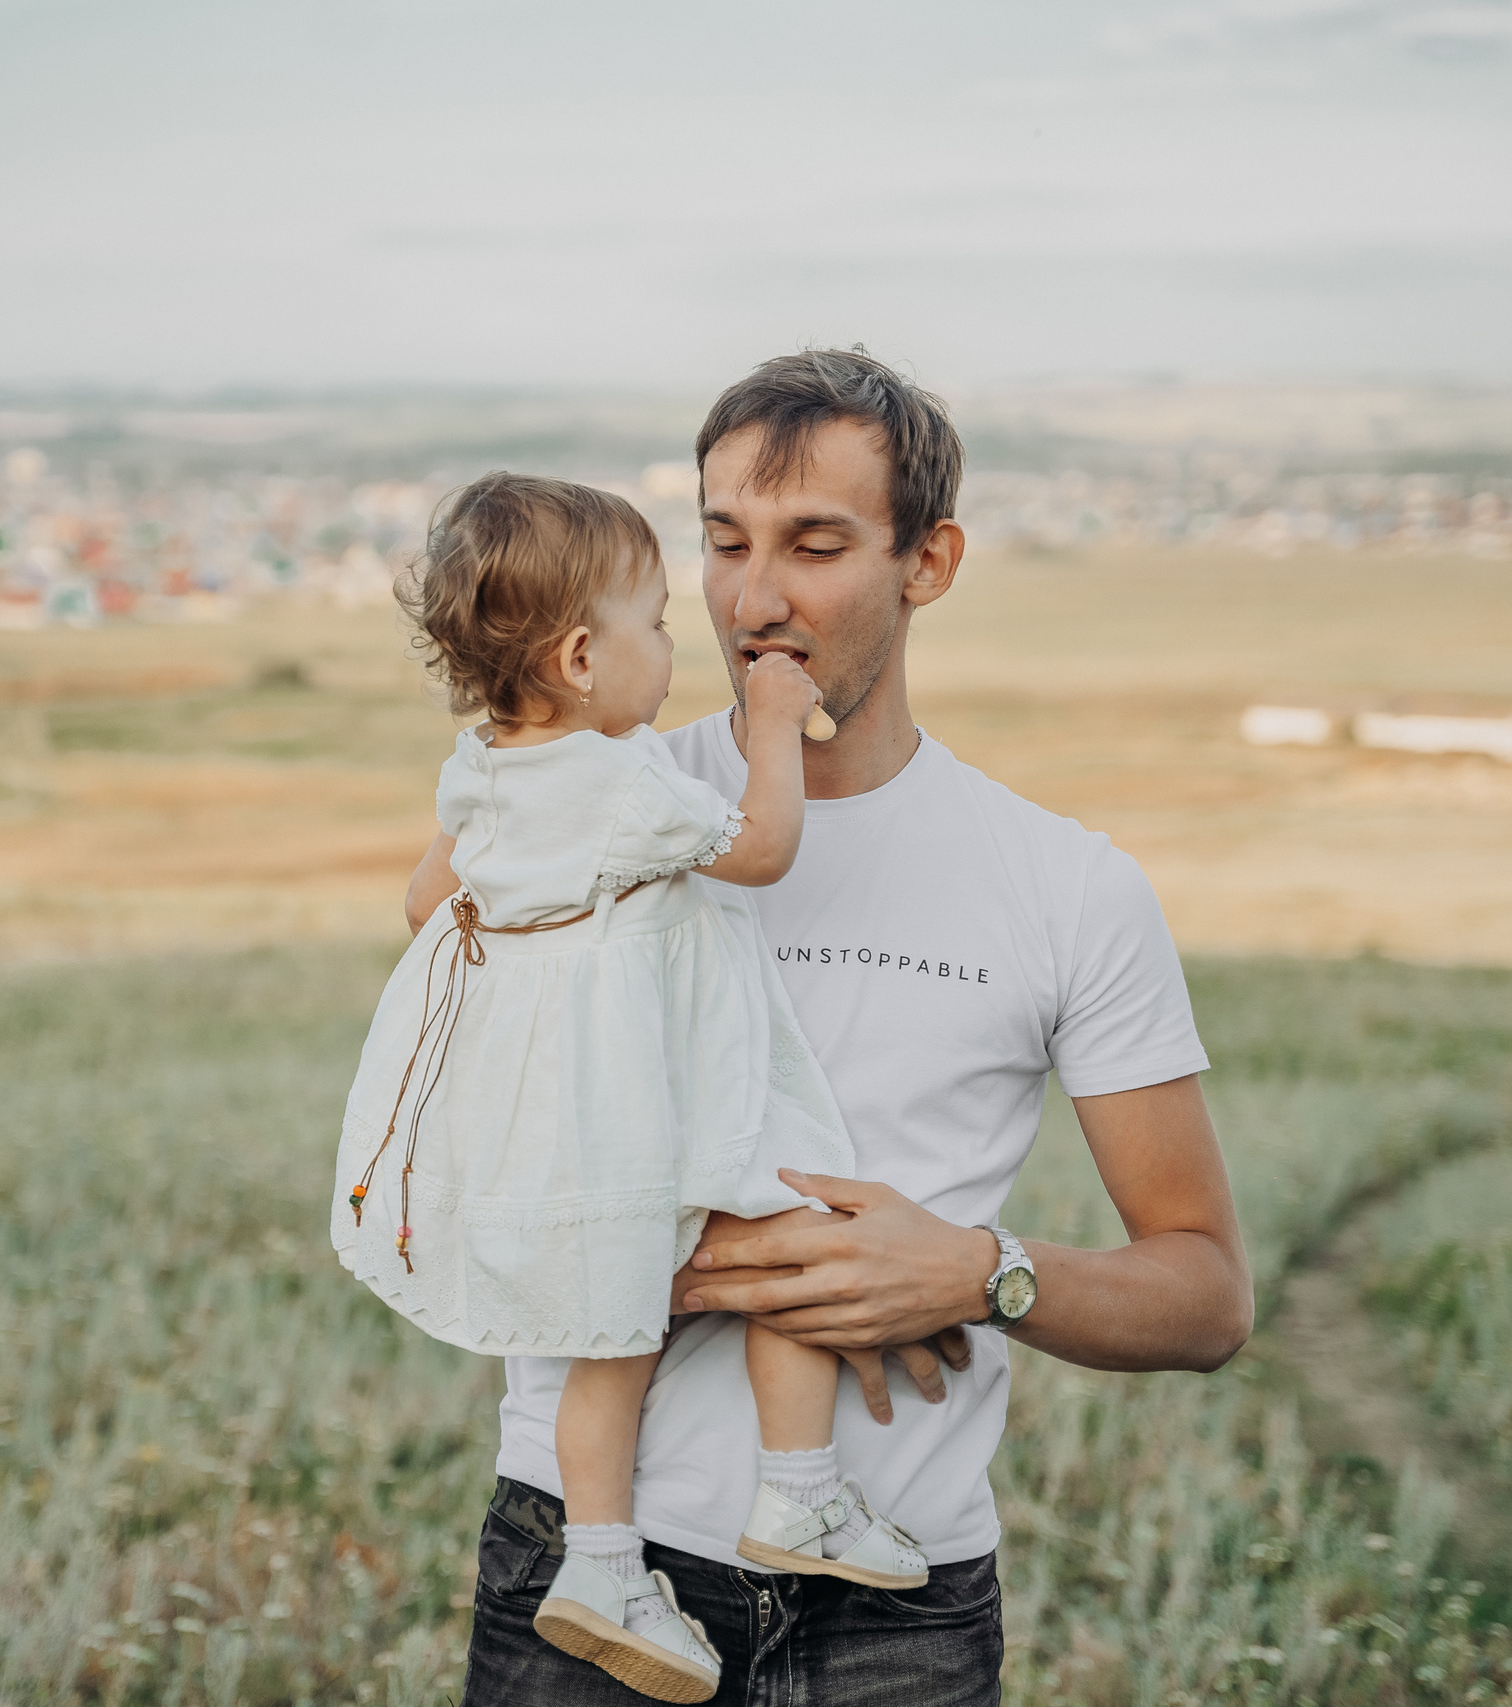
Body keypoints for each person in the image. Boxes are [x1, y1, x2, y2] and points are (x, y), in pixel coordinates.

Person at [449, 350, 1256, 1707]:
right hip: (587, 1580)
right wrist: (701, 1258)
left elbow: (1209, 1294)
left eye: (816, 544)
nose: (755, 598)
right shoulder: (586, 803)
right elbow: (438, 1171)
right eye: (723, 542)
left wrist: (979, 1271)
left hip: (901, 1615)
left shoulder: (1068, 885)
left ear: (928, 561)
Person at [333, 471, 932, 1703]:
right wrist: (768, 718)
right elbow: (759, 849)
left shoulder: (487, 769)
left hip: (567, 1130)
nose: (675, 646)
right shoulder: (621, 776)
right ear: (579, 656)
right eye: (654, 623)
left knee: (610, 1340)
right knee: (797, 1238)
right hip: (652, 1112)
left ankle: (600, 1562)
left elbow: (422, 907)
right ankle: (800, 1495)